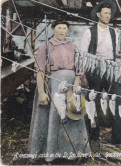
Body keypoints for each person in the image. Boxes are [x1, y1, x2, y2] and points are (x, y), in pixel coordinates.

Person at [28, 19, 91, 162]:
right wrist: (42, 92)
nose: (62, 31)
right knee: (54, 117)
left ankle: (74, 151)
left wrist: (76, 82)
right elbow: (40, 70)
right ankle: (50, 152)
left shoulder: (73, 46)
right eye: (59, 28)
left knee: (72, 116)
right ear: (53, 30)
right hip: (53, 86)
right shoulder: (46, 47)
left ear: (67, 31)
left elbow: (80, 67)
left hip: (71, 86)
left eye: (64, 28)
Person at [80, 0, 121, 149]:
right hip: (94, 70)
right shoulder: (89, 32)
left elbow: (117, 52)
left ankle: (117, 138)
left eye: (110, 13)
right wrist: (83, 75)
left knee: (119, 100)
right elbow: (83, 55)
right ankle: (94, 138)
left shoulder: (114, 32)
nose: (108, 16)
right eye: (105, 13)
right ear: (98, 14)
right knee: (94, 104)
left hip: (111, 70)